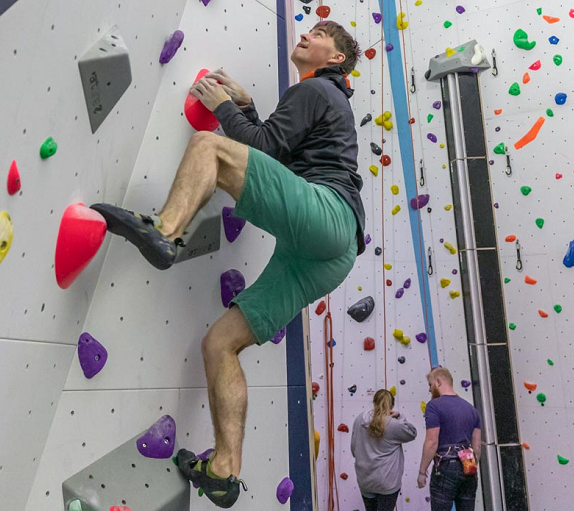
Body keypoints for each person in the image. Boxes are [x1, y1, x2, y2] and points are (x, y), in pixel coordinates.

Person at [90, 20, 364, 508]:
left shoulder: (318, 87)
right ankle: (223, 471)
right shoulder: (323, 98)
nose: (307, 32)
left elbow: (260, 149)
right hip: (330, 252)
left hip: (327, 216)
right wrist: (245, 107)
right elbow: (279, 151)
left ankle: (166, 231)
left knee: (207, 147)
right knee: (220, 344)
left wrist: (219, 110)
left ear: (336, 58)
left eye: (320, 33)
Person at [417, 366, 482, 511]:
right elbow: (477, 446)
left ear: (439, 382)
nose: (429, 389)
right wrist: (472, 466)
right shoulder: (471, 409)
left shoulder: (433, 406)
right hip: (469, 464)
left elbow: (432, 442)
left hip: (447, 463)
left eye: (430, 384)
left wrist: (422, 471)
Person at [351, 389, 417, 511]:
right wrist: (400, 417)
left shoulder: (360, 419)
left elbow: (353, 449)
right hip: (388, 481)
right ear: (391, 405)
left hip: (365, 480)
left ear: (374, 402)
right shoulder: (393, 424)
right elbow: (412, 433)